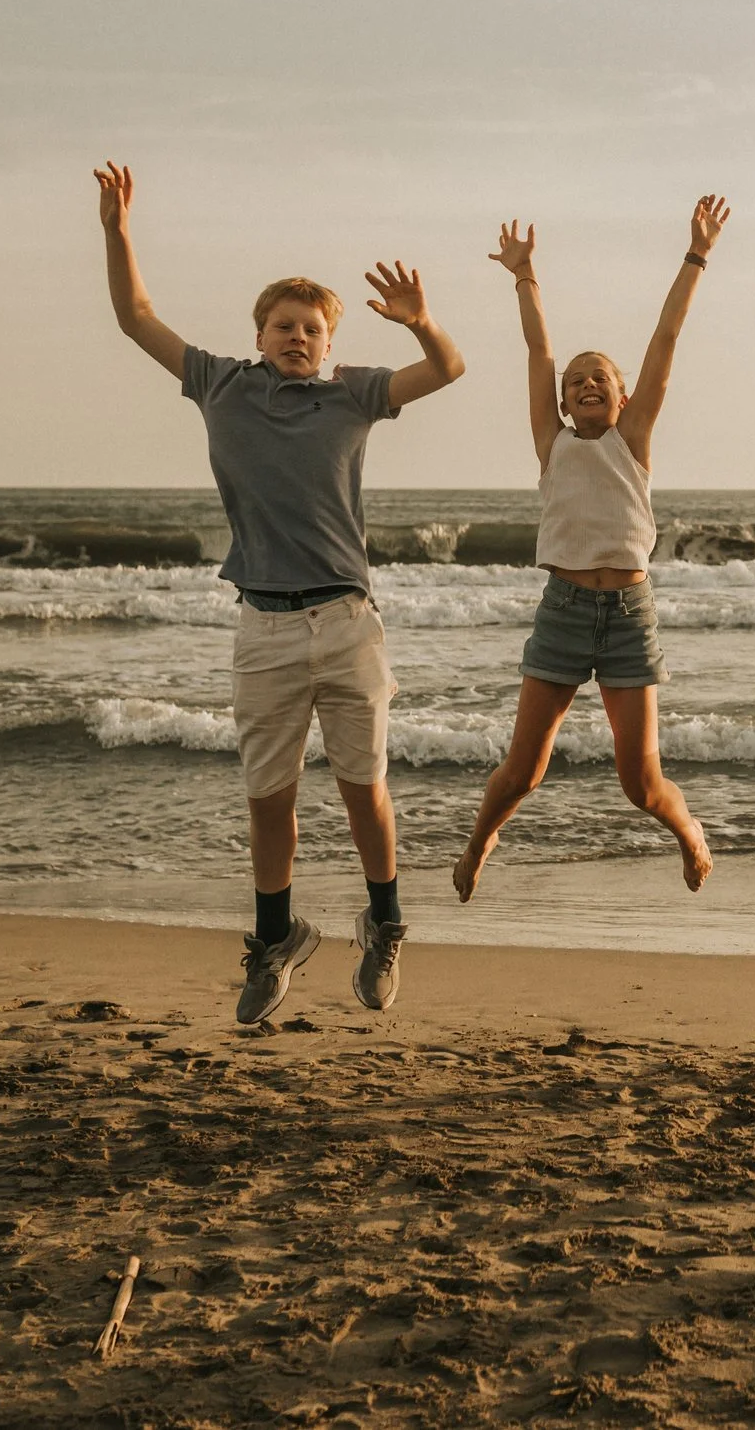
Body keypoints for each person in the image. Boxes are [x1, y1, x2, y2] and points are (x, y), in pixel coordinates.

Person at [92, 162, 466, 1024]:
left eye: (312, 328)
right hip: (261, 623)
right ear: (259, 333)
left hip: (346, 621)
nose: (298, 337)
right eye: (283, 325)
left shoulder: (354, 394)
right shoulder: (221, 384)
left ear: (331, 341)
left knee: (362, 785)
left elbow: (447, 367)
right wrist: (118, 232)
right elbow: (134, 318)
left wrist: (421, 320)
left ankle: (387, 922)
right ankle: (274, 941)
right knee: (270, 798)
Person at [451, 199, 726, 901]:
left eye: (599, 375)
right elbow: (539, 352)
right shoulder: (554, 442)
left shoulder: (632, 441)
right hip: (565, 610)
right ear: (564, 405)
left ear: (623, 393)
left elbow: (667, 336)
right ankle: (482, 839)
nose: (585, 383)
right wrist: (524, 276)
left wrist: (696, 255)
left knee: (640, 784)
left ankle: (689, 831)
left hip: (630, 613)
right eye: (576, 382)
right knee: (524, 770)